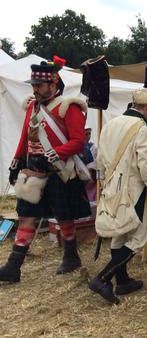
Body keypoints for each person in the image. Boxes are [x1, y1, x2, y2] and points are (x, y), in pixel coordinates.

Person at [0, 56, 91, 283]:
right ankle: (13, 267)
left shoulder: (68, 108)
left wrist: (54, 154)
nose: (36, 90)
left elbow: (78, 141)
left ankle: (71, 256)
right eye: (34, 86)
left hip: (59, 171)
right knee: (26, 217)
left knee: (64, 217)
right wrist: (16, 161)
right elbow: (24, 137)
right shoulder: (32, 106)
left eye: (39, 85)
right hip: (33, 171)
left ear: (53, 84)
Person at [89, 88, 147, 304]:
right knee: (138, 237)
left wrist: (106, 182)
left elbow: (100, 160)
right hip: (133, 191)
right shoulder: (144, 128)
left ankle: (123, 282)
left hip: (111, 186)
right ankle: (102, 279)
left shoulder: (111, 124)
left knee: (120, 234)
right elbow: (146, 166)